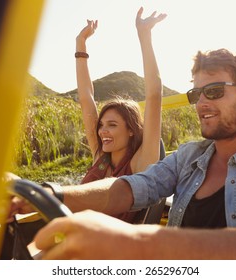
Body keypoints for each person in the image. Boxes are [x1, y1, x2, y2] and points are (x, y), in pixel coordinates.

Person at [25, 48, 236, 259]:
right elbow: (131, 187)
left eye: (214, 91)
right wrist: (51, 193)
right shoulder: (189, 156)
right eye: (196, 94)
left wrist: (136, 245)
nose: (201, 103)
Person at [71, 7, 166, 223]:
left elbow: (154, 96)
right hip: (71, 232)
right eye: (102, 124)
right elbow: (86, 98)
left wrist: (144, 35)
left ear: (131, 130)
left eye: (112, 125)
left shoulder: (141, 163)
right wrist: (80, 43)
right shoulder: (100, 156)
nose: (102, 130)